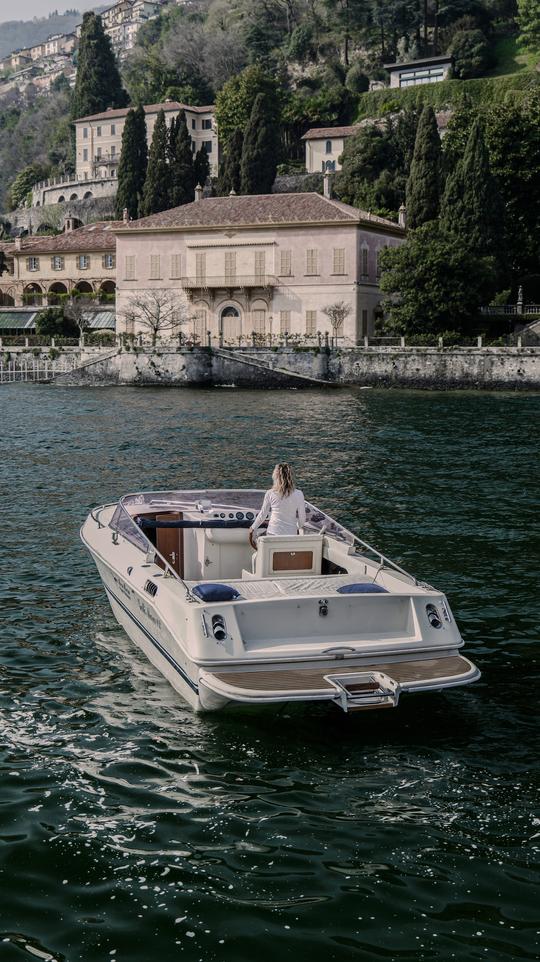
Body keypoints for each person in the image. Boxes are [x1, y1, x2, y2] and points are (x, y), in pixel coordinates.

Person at [249, 463, 306, 549]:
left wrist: (252, 528)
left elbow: (262, 515)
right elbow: (302, 520)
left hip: (272, 535)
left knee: (258, 552)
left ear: (275, 476)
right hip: (291, 536)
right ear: (291, 476)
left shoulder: (270, 493)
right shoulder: (299, 494)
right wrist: (297, 526)